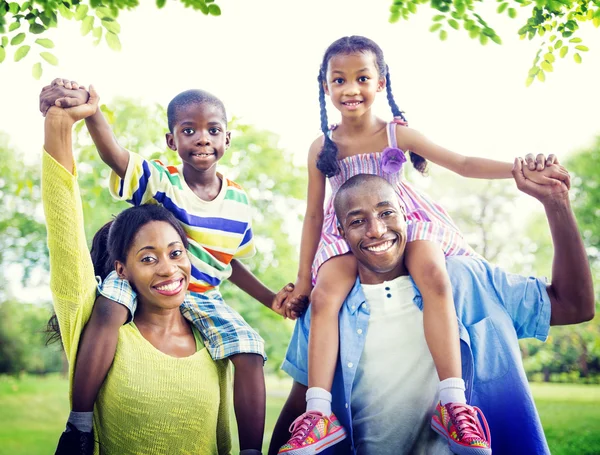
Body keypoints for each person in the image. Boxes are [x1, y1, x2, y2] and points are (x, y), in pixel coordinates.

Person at [277, 35, 570, 454]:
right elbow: (311, 214)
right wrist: (303, 280)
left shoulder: (396, 133)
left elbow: (464, 164)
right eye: (338, 80)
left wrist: (519, 171)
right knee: (325, 298)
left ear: (380, 84)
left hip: (404, 221)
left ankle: (453, 402)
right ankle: (319, 412)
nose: (351, 88)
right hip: (349, 230)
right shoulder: (322, 147)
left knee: (435, 274)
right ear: (325, 87)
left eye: (362, 78)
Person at [40, 80, 307, 455]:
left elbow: (230, 262)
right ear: (172, 141)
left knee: (250, 350)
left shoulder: (238, 201)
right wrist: (93, 112)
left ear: (227, 139)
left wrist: (270, 300)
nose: (202, 138)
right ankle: (79, 424)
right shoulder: (163, 181)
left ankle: (250, 450)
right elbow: (116, 156)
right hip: (143, 283)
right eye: (189, 130)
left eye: (213, 130)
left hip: (204, 296)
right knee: (108, 308)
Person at [270, 170, 594, 455]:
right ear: (339, 233)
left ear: (406, 217)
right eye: (357, 221)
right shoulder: (326, 304)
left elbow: (574, 305)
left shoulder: (468, 280)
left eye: (387, 214)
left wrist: (557, 202)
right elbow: (301, 401)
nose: (376, 230)